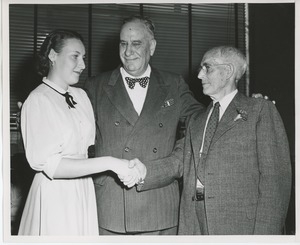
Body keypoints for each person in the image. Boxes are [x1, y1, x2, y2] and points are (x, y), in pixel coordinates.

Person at [138, 46, 292, 235]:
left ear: (227, 71)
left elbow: (276, 182)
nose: (200, 75)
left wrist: (265, 237)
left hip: (240, 226)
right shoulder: (196, 119)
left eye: (207, 68)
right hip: (194, 222)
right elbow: (179, 162)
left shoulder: (259, 110)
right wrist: (141, 171)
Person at [84, 15, 204, 235]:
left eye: (136, 43)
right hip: (110, 209)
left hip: (160, 207)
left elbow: (202, 122)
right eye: (123, 43)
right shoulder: (95, 86)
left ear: (152, 46)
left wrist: (241, 104)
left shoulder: (173, 84)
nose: (128, 51)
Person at [18, 29, 141, 236]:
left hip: (83, 190)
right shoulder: (38, 100)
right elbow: (52, 167)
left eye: (83, 58)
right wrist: (111, 163)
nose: (83, 65)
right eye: (75, 56)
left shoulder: (81, 96)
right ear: (53, 56)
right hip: (55, 194)